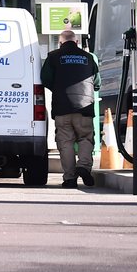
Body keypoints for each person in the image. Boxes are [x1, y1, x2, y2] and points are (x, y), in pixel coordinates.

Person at [41, 29, 100, 188]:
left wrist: (58, 87)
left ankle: (70, 179)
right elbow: (97, 82)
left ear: (60, 43)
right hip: (84, 108)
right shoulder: (88, 57)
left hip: (62, 107)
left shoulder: (53, 56)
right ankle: (83, 166)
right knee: (85, 138)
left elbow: (45, 79)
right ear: (77, 42)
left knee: (65, 142)